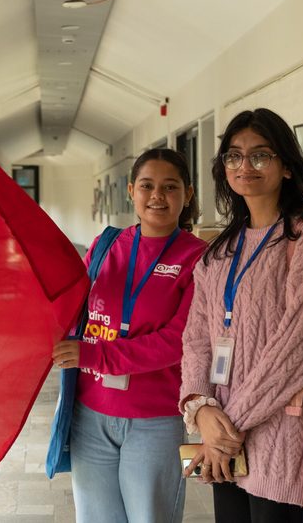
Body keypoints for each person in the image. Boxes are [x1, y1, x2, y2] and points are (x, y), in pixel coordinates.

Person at [179, 109, 303, 523]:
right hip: (227, 445)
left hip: (285, 440)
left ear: (288, 167)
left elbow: (301, 344)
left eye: (260, 156)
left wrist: (225, 429)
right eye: (234, 157)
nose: (245, 166)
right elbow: (197, 340)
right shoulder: (219, 250)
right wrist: (201, 410)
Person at [52, 148, 208, 523]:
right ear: (131, 192)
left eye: (170, 187)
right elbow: (72, 310)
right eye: (147, 185)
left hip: (155, 419)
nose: (157, 195)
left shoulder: (199, 258)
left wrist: (93, 356)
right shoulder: (106, 246)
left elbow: (178, 341)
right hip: (90, 415)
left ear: (187, 194)